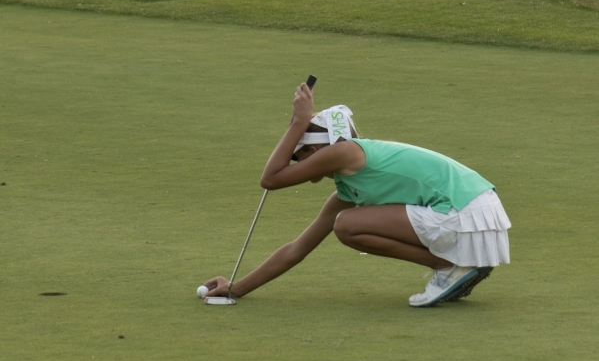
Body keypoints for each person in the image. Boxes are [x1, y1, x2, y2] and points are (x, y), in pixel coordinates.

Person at [202, 81, 511, 307]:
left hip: (465, 212)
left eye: (299, 157)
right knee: (345, 222)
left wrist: (299, 120)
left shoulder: (343, 152)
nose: (299, 167)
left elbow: (270, 179)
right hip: (473, 211)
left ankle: (448, 268)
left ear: (315, 148)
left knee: (347, 225)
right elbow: (298, 248)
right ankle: (452, 268)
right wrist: (236, 288)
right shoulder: (350, 185)